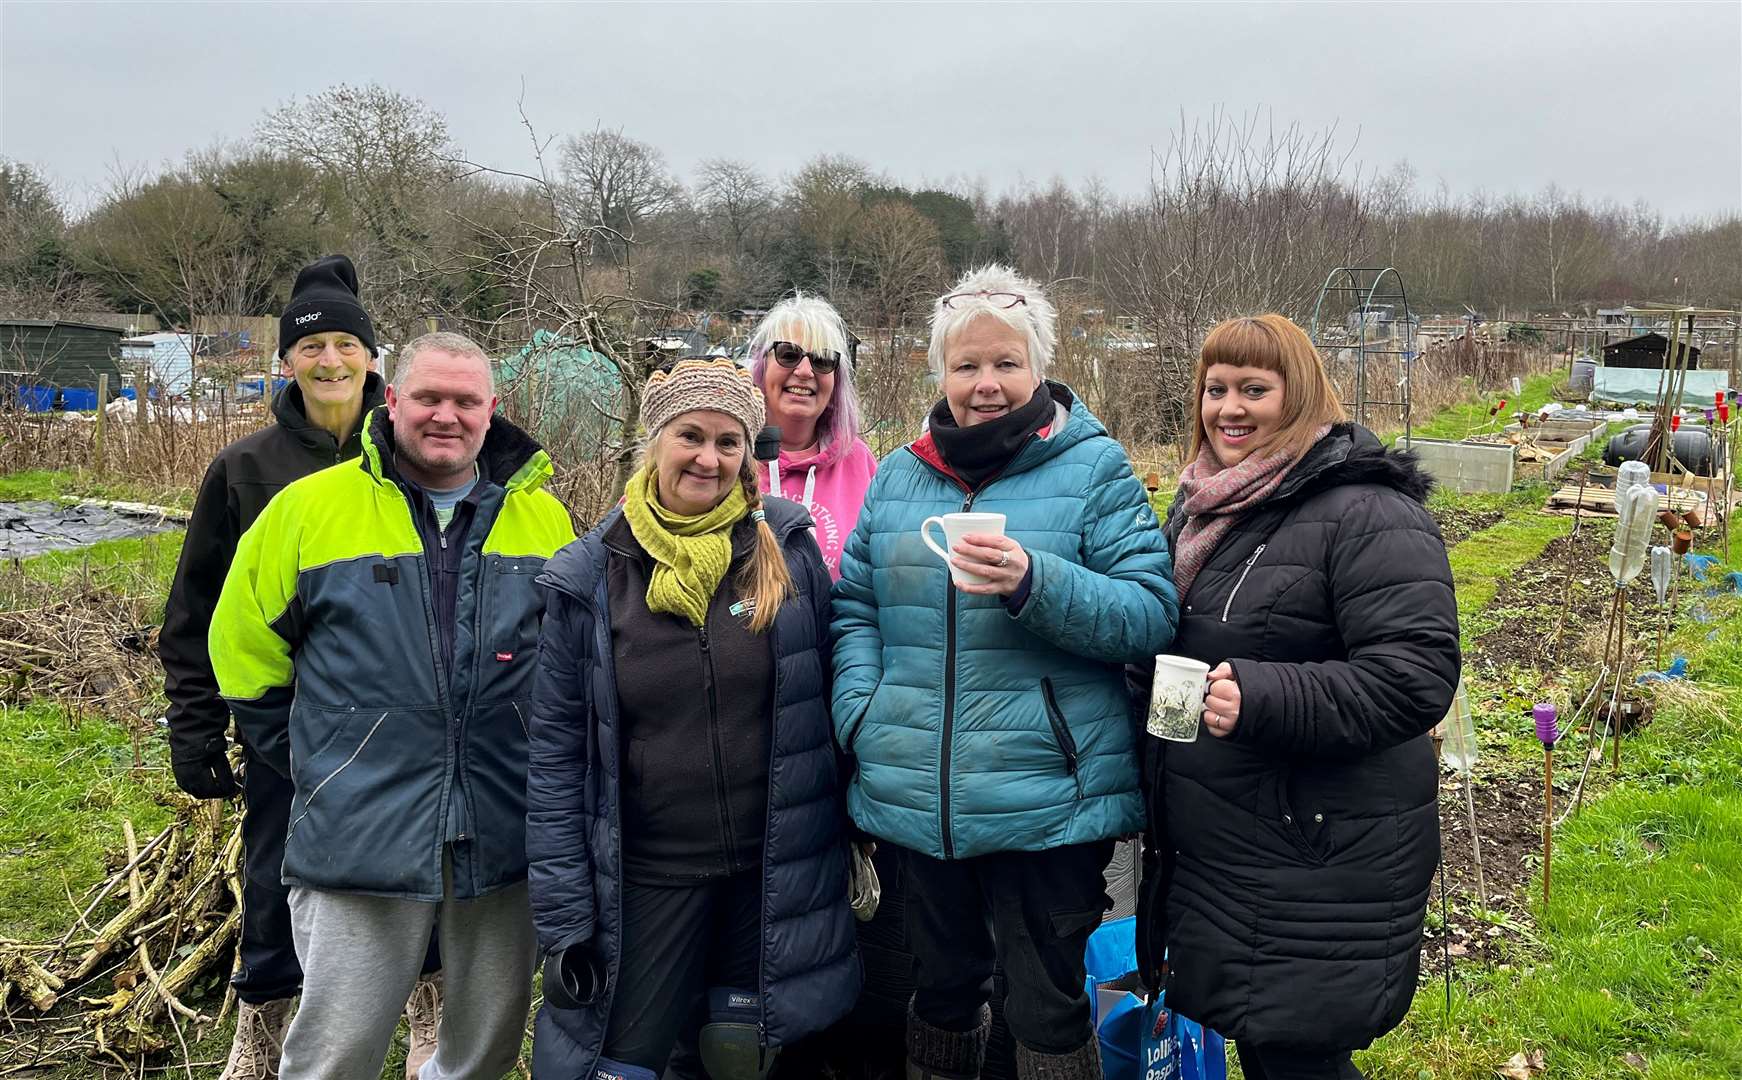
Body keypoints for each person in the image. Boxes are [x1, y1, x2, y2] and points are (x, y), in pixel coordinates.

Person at [831, 264, 1178, 1080]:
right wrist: (865, 712)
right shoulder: (898, 476)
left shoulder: (1094, 469)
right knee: (941, 990)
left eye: (1006, 364)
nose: (986, 384)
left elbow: (1149, 612)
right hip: (922, 796)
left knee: (1045, 1002)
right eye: (966, 366)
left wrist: (1035, 581)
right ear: (940, 374)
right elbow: (855, 609)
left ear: (1039, 368)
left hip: (1047, 798)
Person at [209, 331, 575, 1080]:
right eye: (430, 397)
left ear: (492, 410)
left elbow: (571, 670)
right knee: (334, 1055)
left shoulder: (545, 521)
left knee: (483, 1053)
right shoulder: (310, 510)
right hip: (356, 835)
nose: (447, 415)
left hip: (502, 836)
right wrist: (322, 761)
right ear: (393, 400)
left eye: (466, 400)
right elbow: (241, 650)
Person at [1135, 314, 1459, 1080]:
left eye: (1255, 389)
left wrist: (1262, 695)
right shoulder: (1206, 508)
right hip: (1238, 843)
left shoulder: (1365, 510)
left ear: (1302, 395)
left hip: (1317, 846)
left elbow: (1416, 675)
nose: (1229, 409)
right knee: (1272, 1047)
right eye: (1215, 390)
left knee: (1294, 1056)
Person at [525, 357, 859, 1080]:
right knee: (622, 1062)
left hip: (768, 876)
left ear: (747, 454)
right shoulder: (589, 577)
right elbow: (554, 759)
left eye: (728, 442)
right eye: (690, 436)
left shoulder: (788, 554)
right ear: (656, 442)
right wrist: (563, 917)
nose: (709, 458)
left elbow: (832, 700)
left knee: (739, 1058)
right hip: (650, 877)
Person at [158, 254, 444, 1080]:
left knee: (419, 857)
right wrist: (196, 722)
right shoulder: (244, 469)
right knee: (275, 862)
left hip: (403, 718)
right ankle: (264, 1023)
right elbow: (196, 612)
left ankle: (428, 1007)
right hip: (288, 722)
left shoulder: (416, 459)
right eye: (310, 349)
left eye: (346, 346)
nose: (329, 362)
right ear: (285, 361)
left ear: (370, 358)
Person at [747, 294, 878, 580]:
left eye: (821, 360)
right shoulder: (727, 456)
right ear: (761, 366)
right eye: (788, 354)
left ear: (836, 380)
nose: (805, 371)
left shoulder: (857, 461)